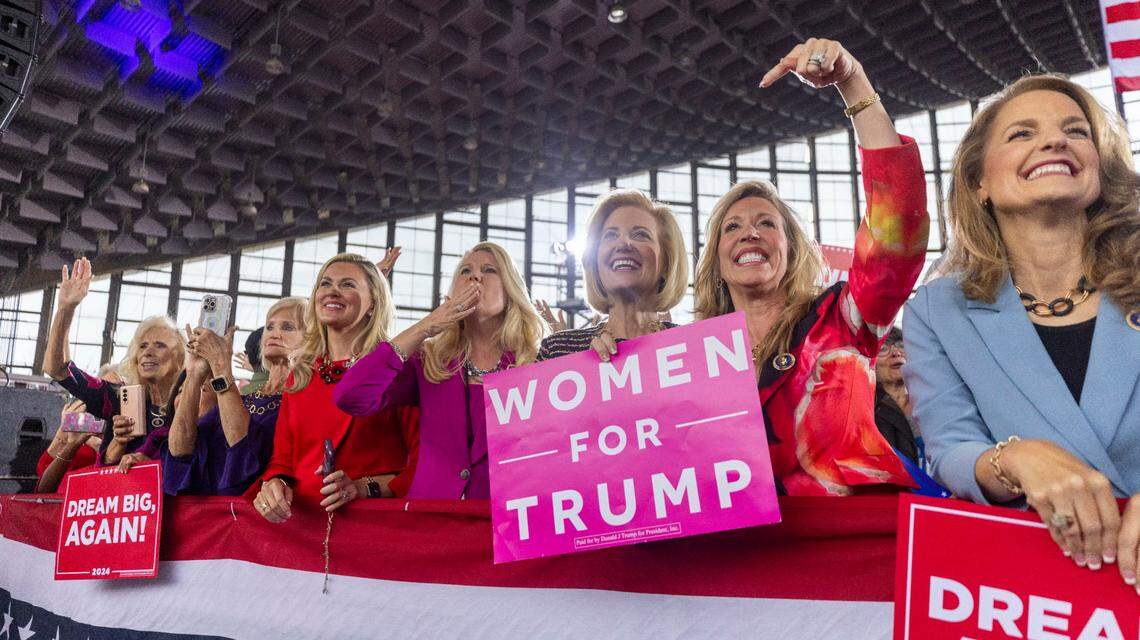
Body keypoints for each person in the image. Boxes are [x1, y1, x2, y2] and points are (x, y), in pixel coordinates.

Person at [901, 74, 1140, 589]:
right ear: (978, 184)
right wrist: (1011, 457)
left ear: (1100, 169)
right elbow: (949, 448)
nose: (1055, 141)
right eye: (1022, 134)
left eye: (1076, 131)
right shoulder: (936, 310)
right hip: (1033, 586)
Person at [693, 38, 929, 496]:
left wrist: (852, 82)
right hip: (736, 559)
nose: (750, 233)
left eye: (767, 223)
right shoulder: (688, 362)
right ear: (716, 261)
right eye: (732, 227)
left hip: (850, 546)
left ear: (792, 248)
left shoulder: (841, 320)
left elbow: (897, 226)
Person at [336, 242, 543, 499]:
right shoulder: (428, 361)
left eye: (489, 270)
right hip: (435, 522)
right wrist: (425, 327)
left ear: (512, 293)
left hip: (511, 518)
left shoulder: (539, 361)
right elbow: (351, 396)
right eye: (465, 271)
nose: (475, 276)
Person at [253, 254, 419, 521]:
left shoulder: (398, 370)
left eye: (348, 285)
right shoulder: (301, 375)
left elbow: (420, 464)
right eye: (325, 283)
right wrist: (274, 484)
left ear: (373, 303)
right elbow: (282, 459)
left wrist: (363, 488)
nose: (332, 291)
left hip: (374, 528)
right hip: (303, 529)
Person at [42, 258, 186, 466]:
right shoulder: (122, 400)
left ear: (180, 359)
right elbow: (56, 368)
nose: (147, 352)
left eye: (160, 345)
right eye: (143, 346)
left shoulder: (191, 403)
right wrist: (66, 308)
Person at [160, 297, 306, 495]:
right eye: (269, 327)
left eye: (288, 327)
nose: (274, 333)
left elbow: (244, 452)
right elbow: (180, 450)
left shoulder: (301, 401)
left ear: (311, 340)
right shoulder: (244, 399)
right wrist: (194, 374)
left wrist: (221, 364)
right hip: (213, 518)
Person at [538, 189, 689, 361]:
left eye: (640, 234)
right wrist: (584, 368)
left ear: (666, 263)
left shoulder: (692, 347)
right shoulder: (557, 350)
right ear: (595, 265)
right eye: (610, 235)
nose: (623, 243)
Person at [873, 328, 920, 466]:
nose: (896, 353)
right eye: (883, 348)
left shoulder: (931, 401)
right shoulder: (864, 412)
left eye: (901, 345)